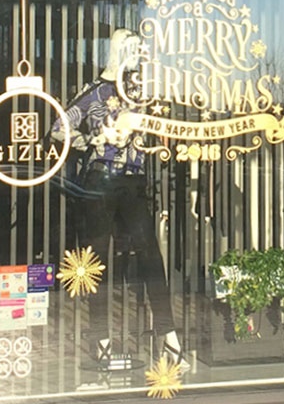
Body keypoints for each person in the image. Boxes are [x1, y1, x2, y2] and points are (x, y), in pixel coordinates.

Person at [52, 29, 186, 370]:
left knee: (150, 255)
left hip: (133, 182)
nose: (139, 56)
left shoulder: (141, 91)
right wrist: (94, 140)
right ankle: (101, 340)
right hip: (100, 181)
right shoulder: (95, 92)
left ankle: (169, 335)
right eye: (133, 50)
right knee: (97, 260)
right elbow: (58, 129)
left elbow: (164, 125)